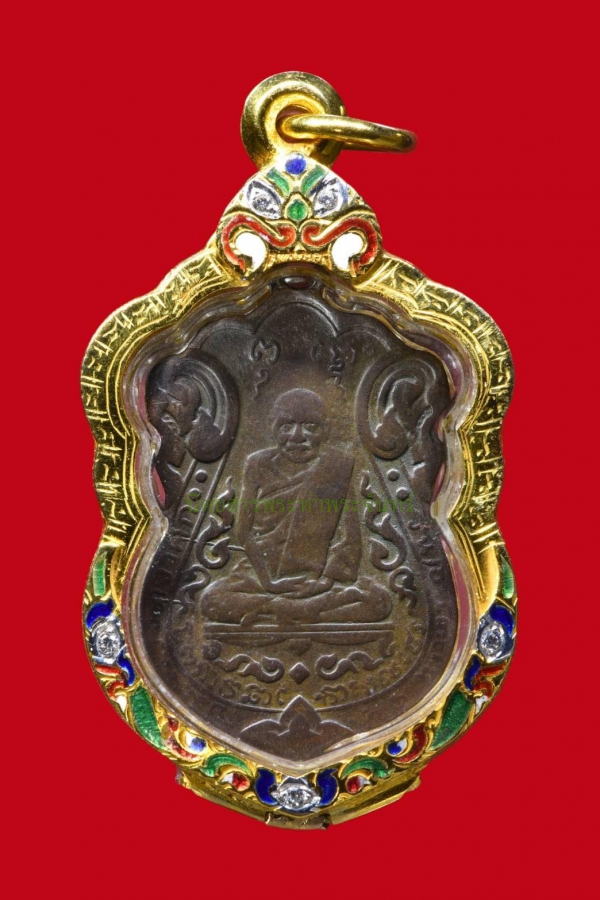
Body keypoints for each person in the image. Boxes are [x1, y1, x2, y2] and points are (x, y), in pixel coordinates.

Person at [201, 388, 392, 625]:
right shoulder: (258, 464)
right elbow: (244, 532)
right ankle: (303, 612)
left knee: (379, 601)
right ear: (272, 429)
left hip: (318, 580)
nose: (297, 436)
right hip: (260, 575)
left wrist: (324, 582)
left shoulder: (337, 466)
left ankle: (278, 611)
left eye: (311, 427)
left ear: (326, 430)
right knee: (211, 600)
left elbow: (350, 537)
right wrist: (269, 583)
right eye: (286, 426)